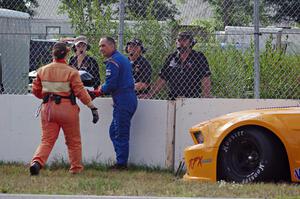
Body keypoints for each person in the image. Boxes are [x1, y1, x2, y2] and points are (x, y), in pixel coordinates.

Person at [29, 42, 99, 176]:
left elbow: (36, 91)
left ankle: (36, 163)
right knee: (73, 141)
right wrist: (92, 107)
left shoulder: (42, 70)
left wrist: (47, 97)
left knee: (47, 140)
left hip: (48, 108)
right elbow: (80, 92)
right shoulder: (71, 71)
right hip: (68, 109)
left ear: (53, 54)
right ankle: (76, 169)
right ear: (67, 54)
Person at [98, 36, 137, 170]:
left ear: (112, 46)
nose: (100, 49)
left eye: (103, 46)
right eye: (99, 46)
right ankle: (120, 160)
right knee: (114, 131)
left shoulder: (113, 61)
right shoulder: (121, 58)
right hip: (127, 98)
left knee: (120, 133)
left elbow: (110, 85)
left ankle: (121, 164)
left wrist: (98, 91)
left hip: (123, 100)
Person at [144, 31, 212, 100]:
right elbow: (162, 78)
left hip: (192, 98)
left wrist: (206, 96)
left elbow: (205, 77)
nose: (181, 43)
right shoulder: (171, 57)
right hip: (173, 99)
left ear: (191, 42)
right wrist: (150, 95)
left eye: (184, 40)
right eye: (179, 40)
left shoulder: (198, 57)